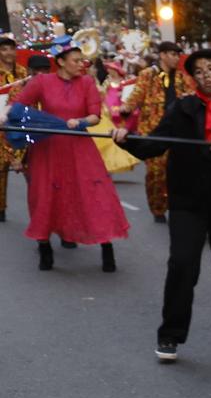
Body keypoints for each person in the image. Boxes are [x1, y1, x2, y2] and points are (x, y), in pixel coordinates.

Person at [113, 48, 211, 362]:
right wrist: (126, 139)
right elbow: (155, 143)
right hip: (188, 201)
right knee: (183, 265)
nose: (206, 76)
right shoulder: (182, 108)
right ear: (193, 77)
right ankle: (170, 335)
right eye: (198, 72)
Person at [15, 45, 130, 272]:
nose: (81, 65)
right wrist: (15, 120)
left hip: (80, 147)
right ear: (61, 61)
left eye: (82, 61)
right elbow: (18, 106)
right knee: (45, 195)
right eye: (76, 60)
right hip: (48, 148)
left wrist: (81, 122)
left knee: (96, 194)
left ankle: (107, 247)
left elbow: (95, 115)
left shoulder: (87, 83)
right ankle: (45, 248)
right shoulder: (41, 82)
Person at [123, 42, 189, 223]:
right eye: (172, 54)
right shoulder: (147, 75)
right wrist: (125, 108)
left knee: (179, 171)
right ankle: (158, 208)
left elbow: (191, 97)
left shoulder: (182, 78)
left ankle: (178, 205)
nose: (176, 58)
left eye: (178, 55)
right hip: (153, 131)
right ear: (162, 55)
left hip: (177, 131)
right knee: (156, 173)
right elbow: (135, 97)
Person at [0, 36, 21, 222]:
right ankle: (0, 208)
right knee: (1, 170)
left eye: (11, 49)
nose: (9, 53)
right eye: (4, 49)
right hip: (1, 127)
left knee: (32, 170)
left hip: (23, 125)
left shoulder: (23, 72)